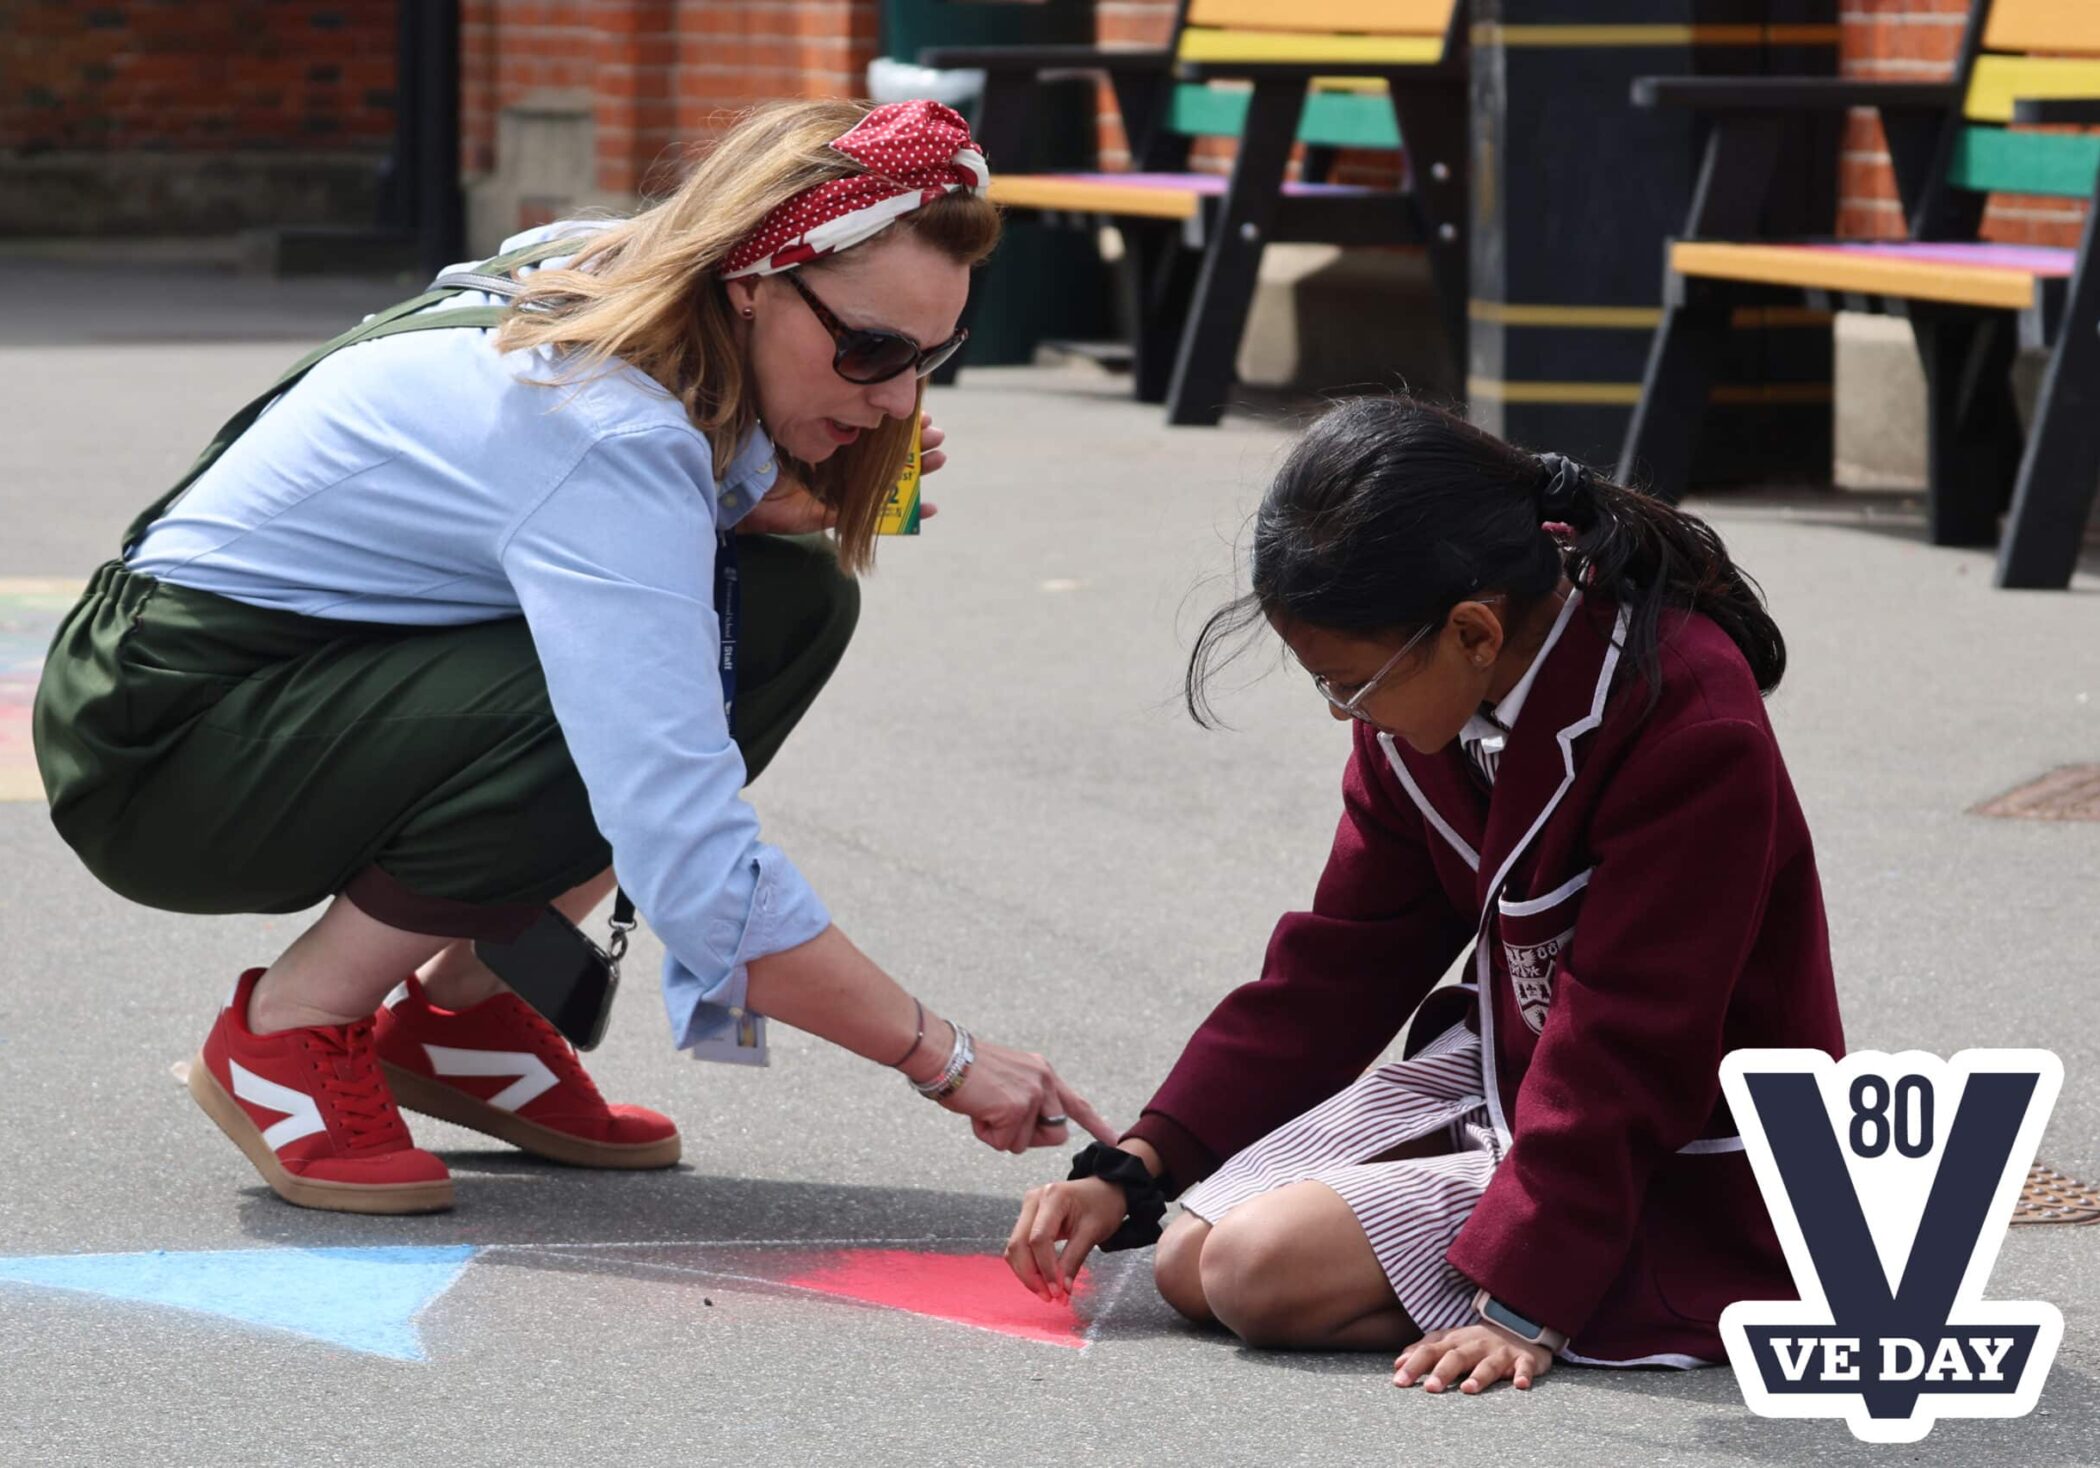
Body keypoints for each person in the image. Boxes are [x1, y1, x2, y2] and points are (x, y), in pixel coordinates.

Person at [34, 98, 1110, 1218]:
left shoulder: (629, 279)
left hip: (288, 672)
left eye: (933, 354)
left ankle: (460, 1010)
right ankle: (288, 1027)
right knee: (617, 702)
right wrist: (946, 1055)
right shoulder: (607, 429)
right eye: (872, 348)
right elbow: (688, 855)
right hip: (165, 739)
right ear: (752, 280)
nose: (897, 397)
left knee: (792, 601)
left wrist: (753, 497)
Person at [1006, 397, 1844, 1392]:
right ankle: (1442, 1244)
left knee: (1253, 1271)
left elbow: (1631, 1044)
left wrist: (1524, 1297)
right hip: (1513, 1077)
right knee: (1191, 1258)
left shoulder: (1688, 713)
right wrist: (1141, 1161)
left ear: (1474, 632)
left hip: (1673, 1140)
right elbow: (1341, 960)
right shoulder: (1424, 704)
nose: (1339, 711)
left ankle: (1555, 1275)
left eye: (1350, 683)